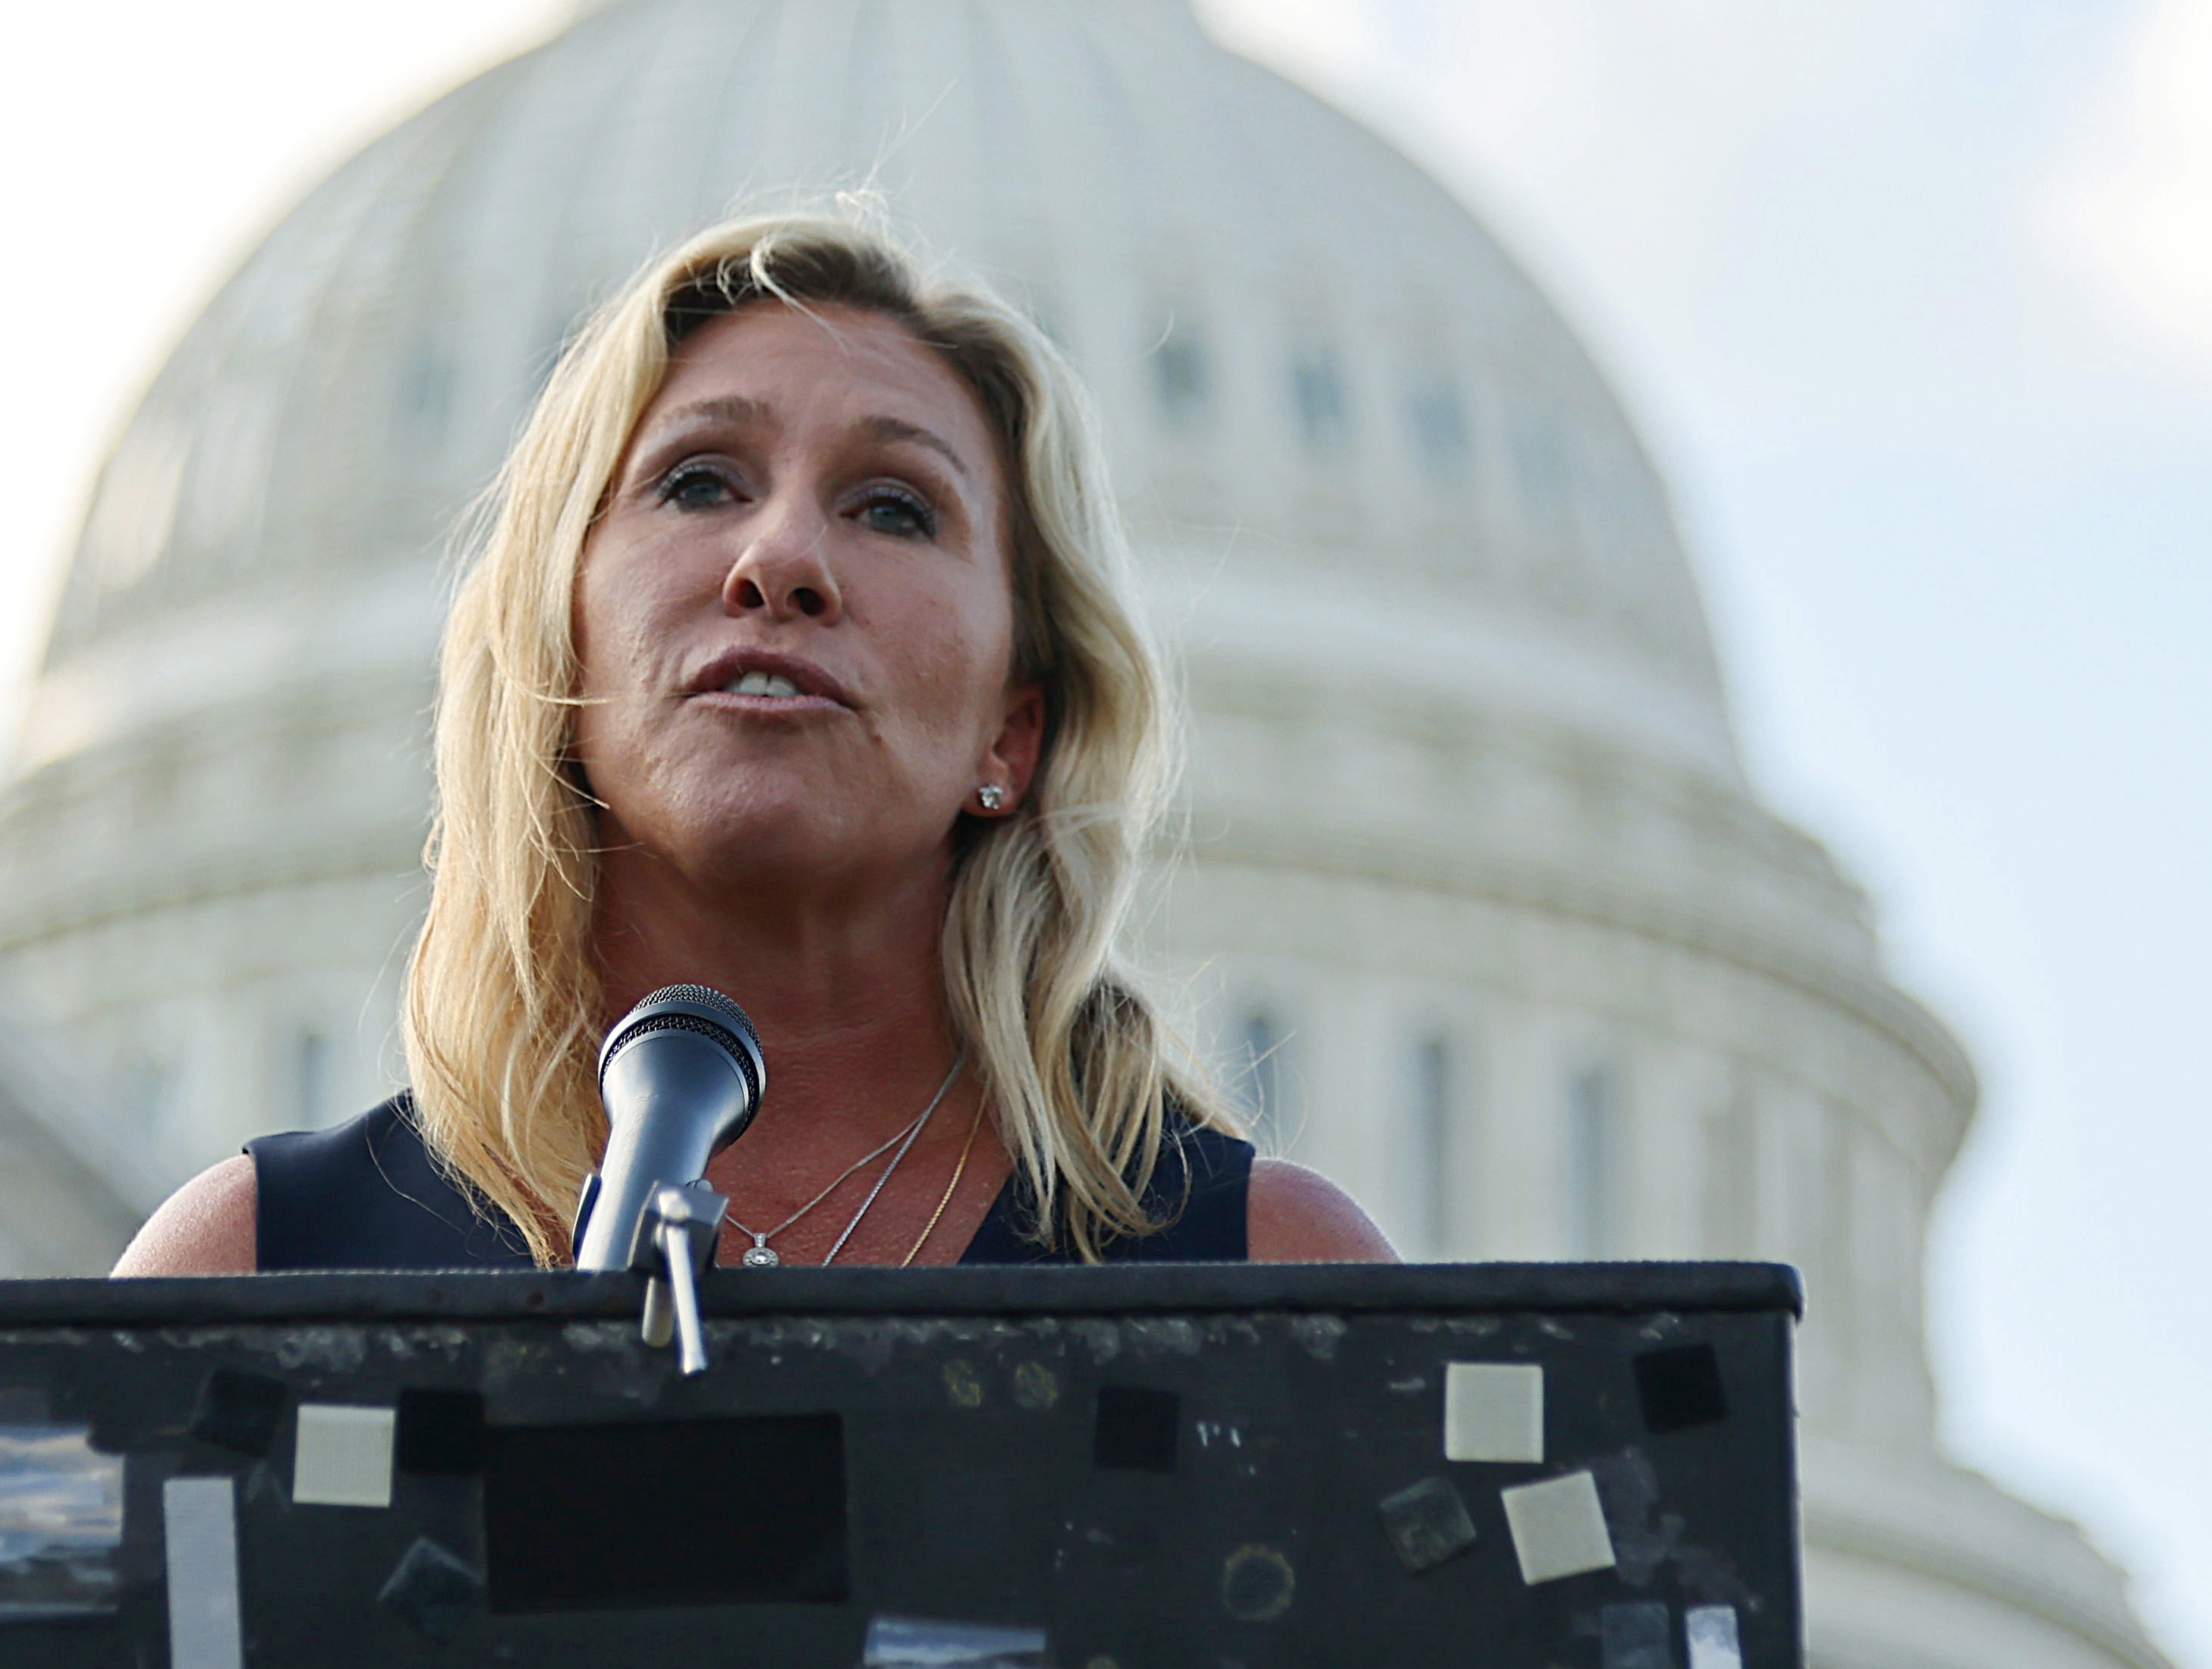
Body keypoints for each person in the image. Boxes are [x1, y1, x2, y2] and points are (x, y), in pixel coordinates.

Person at [118, 210, 1392, 1275]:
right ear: (558, 651)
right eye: (699, 482)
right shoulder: (248, 1269)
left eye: (893, 508)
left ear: (1013, 731)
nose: (779, 560)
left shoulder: (1275, 1280)